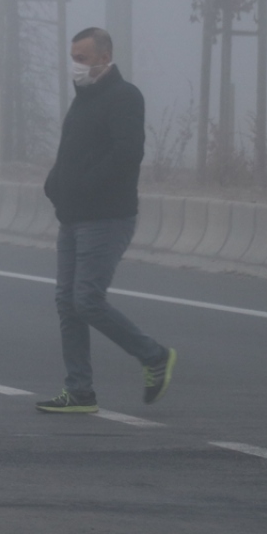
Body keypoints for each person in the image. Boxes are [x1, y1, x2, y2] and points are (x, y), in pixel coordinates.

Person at [37, 27, 176, 414]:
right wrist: (55, 184)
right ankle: (79, 391)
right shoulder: (83, 99)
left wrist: (81, 186)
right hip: (74, 216)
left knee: (87, 300)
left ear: (104, 56)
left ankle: (153, 355)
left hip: (107, 216)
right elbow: (72, 152)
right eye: (73, 57)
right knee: (67, 303)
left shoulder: (124, 96)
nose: (75, 65)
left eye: (82, 57)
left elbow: (126, 154)